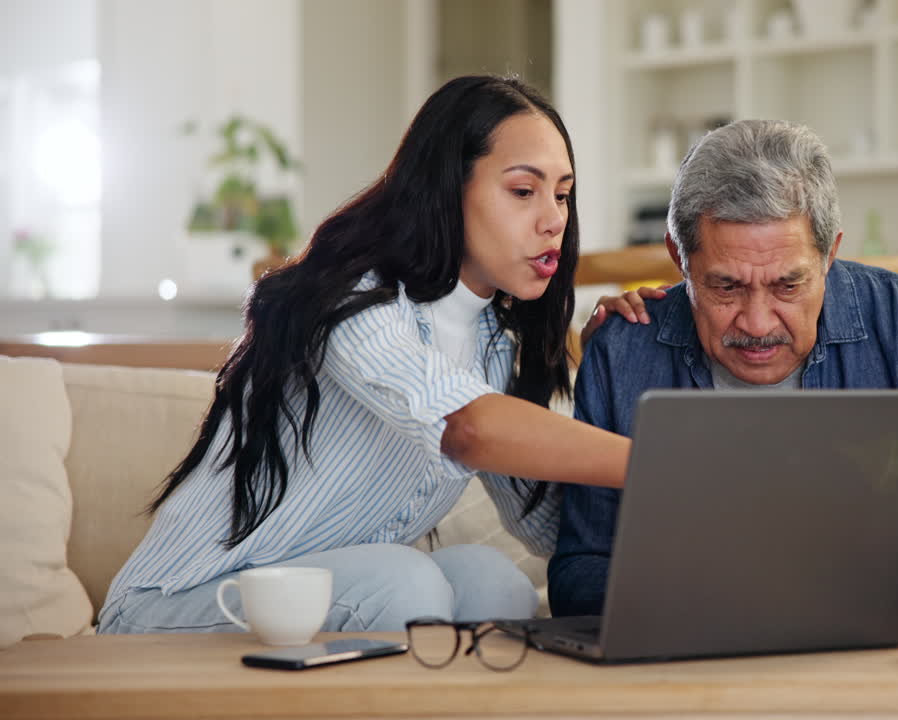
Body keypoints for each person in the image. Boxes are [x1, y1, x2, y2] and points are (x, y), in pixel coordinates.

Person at [99, 75, 632, 635]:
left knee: (492, 582)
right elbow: (471, 428)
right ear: (448, 189)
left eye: (563, 194)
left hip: (332, 593)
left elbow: (549, 529)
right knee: (404, 583)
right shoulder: (351, 301)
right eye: (524, 191)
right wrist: (657, 465)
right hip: (175, 607)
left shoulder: (495, 347)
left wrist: (609, 368)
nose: (553, 219)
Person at [550, 119, 898, 639]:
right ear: (679, 257)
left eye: (788, 285)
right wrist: (717, 590)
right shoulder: (623, 350)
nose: (758, 322)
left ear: (830, 253)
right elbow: (576, 576)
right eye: (726, 287)